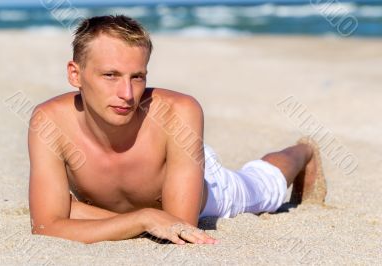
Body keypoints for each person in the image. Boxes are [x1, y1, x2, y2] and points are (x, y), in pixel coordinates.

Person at [28, 15, 327, 245]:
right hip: (150, 206)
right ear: (75, 74)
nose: (127, 94)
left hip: (199, 176)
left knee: (261, 187)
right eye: (110, 75)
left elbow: (180, 225)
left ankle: (303, 152)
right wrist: (144, 217)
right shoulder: (49, 122)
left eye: (137, 77)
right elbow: (45, 227)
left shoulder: (179, 112)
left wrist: (76, 213)